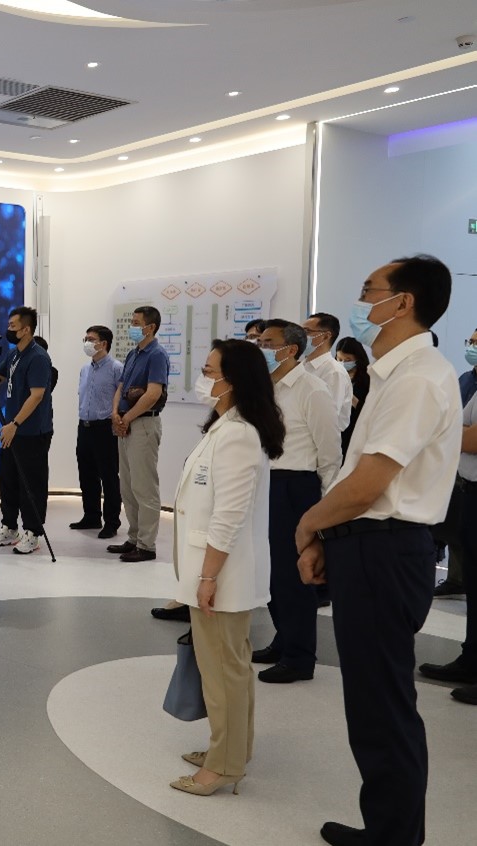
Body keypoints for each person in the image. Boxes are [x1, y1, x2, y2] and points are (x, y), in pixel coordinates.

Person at [295, 255, 460, 846]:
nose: (361, 303)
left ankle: (393, 837)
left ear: (403, 302)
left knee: (383, 706)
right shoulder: (398, 374)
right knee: (374, 702)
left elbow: (369, 486)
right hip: (368, 546)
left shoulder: (418, 378)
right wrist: (329, 537)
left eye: (370, 292)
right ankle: (388, 828)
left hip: (384, 550)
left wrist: (308, 524)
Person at [169, 339, 283, 797]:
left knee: (222, 673)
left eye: (209, 371)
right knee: (229, 667)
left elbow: (229, 516)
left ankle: (223, 765)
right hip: (216, 570)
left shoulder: (238, 435)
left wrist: (208, 577)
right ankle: (233, 748)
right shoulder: (226, 426)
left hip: (222, 575)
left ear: (232, 380)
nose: (203, 378)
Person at [250, 320, 341, 684]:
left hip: (296, 487)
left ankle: (300, 657)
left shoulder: (312, 389)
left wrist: (323, 509)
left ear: (289, 350)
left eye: (267, 342)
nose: (260, 348)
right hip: (265, 483)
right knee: (270, 572)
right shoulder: (264, 389)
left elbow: (330, 454)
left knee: (292, 575)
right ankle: (283, 639)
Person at [418, 368, 477, 706]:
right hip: (469, 491)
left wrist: (454, 430)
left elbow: (467, 439)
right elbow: (457, 429)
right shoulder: (470, 382)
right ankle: (471, 660)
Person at [0, 306, 54, 555]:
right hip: (11, 431)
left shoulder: (38, 357)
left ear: (26, 329)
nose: (8, 330)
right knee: (8, 481)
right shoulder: (14, 354)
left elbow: (36, 396)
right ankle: (10, 526)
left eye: (13, 326)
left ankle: (32, 532)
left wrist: (14, 424)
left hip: (31, 432)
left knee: (31, 484)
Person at [109, 306, 169, 562]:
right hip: (126, 423)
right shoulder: (134, 353)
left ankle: (146, 545)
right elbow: (121, 387)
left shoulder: (157, 355)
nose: (131, 327)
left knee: (144, 487)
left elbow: (153, 394)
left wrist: (127, 418)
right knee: (128, 486)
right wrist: (115, 413)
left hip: (143, 424)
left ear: (150, 327)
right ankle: (133, 537)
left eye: (136, 323)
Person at [425, 327, 477, 598]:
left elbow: (468, 438)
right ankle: (457, 579)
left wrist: (458, 430)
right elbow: (450, 419)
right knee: (456, 528)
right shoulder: (466, 378)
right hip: (458, 467)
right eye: (470, 341)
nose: (471, 347)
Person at [71, 325, 124, 538]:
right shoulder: (85, 369)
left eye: (91, 339)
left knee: (109, 476)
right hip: (84, 426)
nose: (86, 342)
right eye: (85, 338)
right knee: (87, 474)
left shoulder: (116, 368)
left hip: (105, 428)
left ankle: (111, 521)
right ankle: (91, 516)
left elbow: (121, 399)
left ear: (103, 343)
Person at [303, 312, 354, 432]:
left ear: (326, 336)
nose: (300, 336)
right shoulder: (302, 365)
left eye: (307, 332)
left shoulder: (334, 372)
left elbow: (327, 419)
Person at [333, 337, 370, 457]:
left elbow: (368, 410)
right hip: (335, 432)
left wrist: (350, 395)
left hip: (355, 432)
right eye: (339, 359)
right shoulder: (333, 375)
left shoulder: (368, 379)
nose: (343, 363)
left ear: (357, 358)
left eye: (348, 360)